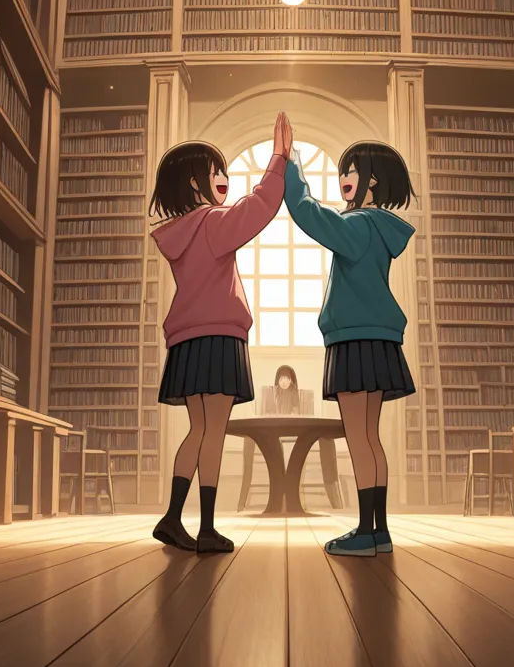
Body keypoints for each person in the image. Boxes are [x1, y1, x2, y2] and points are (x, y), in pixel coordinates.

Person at [149, 111, 293, 553]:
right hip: (218, 337)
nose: (224, 178)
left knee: (197, 430)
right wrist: (278, 159)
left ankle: (173, 518)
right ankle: (207, 528)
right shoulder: (212, 223)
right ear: (195, 183)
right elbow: (260, 207)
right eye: (215, 172)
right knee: (214, 432)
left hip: (186, 341)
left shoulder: (176, 233)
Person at [283, 139, 415, 556]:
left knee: (358, 438)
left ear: (372, 180)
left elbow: (309, 215)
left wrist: (292, 168)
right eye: (342, 172)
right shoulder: (381, 228)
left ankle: (363, 531)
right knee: (370, 437)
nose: (343, 179)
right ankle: (380, 532)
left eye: (351, 171)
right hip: (379, 339)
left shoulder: (359, 225)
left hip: (354, 338)